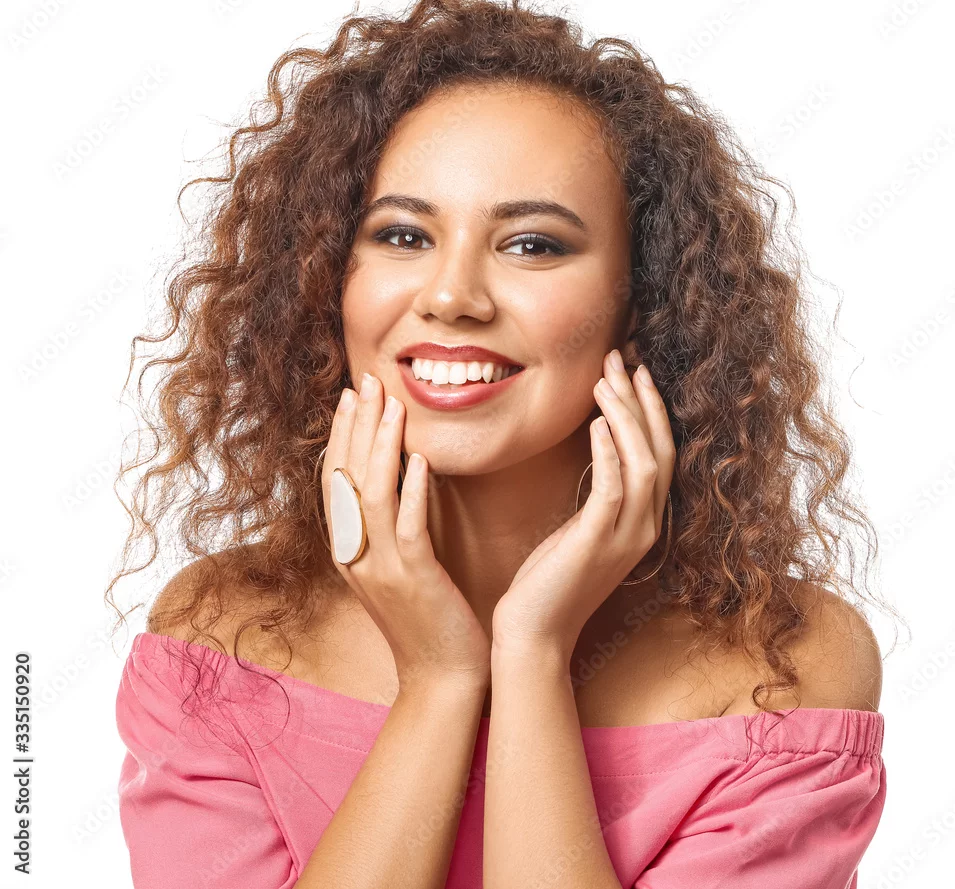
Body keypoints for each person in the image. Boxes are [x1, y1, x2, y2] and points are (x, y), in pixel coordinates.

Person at [108, 1, 899, 886]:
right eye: (402, 235)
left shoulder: (780, 669)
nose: (452, 296)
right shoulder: (221, 640)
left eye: (531, 244)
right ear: (326, 282)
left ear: (642, 306)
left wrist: (531, 655)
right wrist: (440, 679)